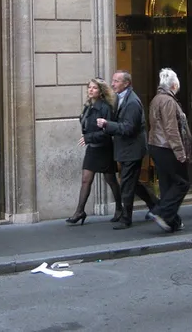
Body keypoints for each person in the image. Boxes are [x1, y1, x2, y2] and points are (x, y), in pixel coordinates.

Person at [97, 71, 158, 230]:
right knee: (132, 183)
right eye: (113, 80)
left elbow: (128, 128)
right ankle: (155, 205)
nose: (113, 84)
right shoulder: (120, 98)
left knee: (127, 184)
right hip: (126, 149)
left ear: (126, 83)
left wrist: (107, 125)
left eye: (116, 81)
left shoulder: (132, 103)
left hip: (132, 150)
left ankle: (126, 218)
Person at [65, 78, 122, 225]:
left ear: (101, 91)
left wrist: (88, 137)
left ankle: (119, 208)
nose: (91, 90)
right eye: (89, 87)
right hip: (92, 148)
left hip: (104, 148)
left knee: (110, 180)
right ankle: (80, 211)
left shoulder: (105, 107)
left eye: (94, 88)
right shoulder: (88, 106)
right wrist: (87, 134)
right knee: (86, 179)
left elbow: (108, 131)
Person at [147, 68, 191, 233]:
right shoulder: (168, 101)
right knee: (182, 183)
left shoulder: (156, 99)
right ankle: (161, 211)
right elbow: (171, 129)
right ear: (174, 85)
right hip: (166, 147)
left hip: (156, 145)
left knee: (167, 184)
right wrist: (180, 152)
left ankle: (171, 221)